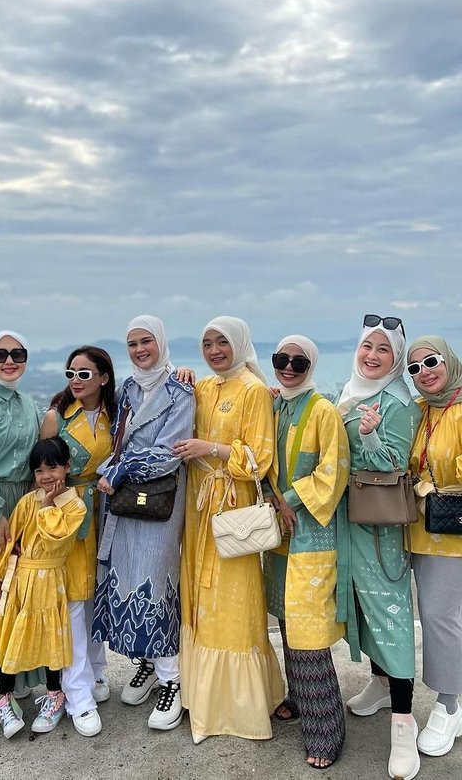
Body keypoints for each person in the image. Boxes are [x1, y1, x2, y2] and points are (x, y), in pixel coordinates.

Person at [174, 316, 284, 744]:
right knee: (199, 598)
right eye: (207, 343)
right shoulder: (204, 386)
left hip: (232, 508)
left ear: (239, 344)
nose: (215, 350)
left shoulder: (253, 390)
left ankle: (237, 706)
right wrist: (181, 375)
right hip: (198, 509)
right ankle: (200, 696)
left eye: (223, 342)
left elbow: (261, 458)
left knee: (233, 601)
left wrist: (211, 449)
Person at [92, 316, 195, 733]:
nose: (139, 350)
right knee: (128, 576)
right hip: (122, 501)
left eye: (146, 341)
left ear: (161, 342)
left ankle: (173, 680)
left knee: (156, 579)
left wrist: (116, 472)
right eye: (132, 343)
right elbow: (118, 436)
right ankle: (148, 663)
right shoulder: (128, 388)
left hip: (159, 500)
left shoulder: (180, 389)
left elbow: (171, 453)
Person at [337, 315, 421, 780]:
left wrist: (369, 434)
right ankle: (380, 682)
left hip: (379, 530)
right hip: (346, 524)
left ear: (394, 359)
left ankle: (404, 724)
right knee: (363, 610)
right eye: (367, 346)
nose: (372, 356)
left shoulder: (398, 403)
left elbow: (396, 464)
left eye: (383, 350)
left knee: (390, 617)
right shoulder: (347, 393)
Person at [263, 335, 350, 769]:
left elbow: (334, 470)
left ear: (311, 366)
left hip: (311, 536)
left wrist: (288, 500)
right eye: (282, 360)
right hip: (279, 537)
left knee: (310, 635)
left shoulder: (322, 410)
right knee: (286, 623)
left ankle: (326, 730)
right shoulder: (276, 405)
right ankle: (299, 699)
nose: (290, 368)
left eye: (300, 361)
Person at [0, 437, 86, 738]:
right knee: (10, 639)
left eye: (52, 468)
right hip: (19, 582)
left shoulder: (74, 506)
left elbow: (57, 537)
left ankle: (55, 695)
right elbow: (8, 544)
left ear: (66, 468)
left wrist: (47, 505)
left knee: (50, 639)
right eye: (39, 471)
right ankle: (5, 698)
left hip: (50, 581)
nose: (46, 476)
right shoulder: (27, 501)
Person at [40, 345, 116, 737]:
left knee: (95, 596)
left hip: (107, 511)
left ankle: (97, 673)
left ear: (103, 377)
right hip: (70, 516)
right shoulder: (56, 417)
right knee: (72, 602)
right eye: (71, 373)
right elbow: (44, 473)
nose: (76, 381)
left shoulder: (115, 415)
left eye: (85, 374)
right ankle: (77, 694)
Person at [406, 336, 462, 758]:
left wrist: (435, 485)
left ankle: (449, 704)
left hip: (453, 532)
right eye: (414, 368)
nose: (424, 371)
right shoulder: (422, 411)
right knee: (434, 615)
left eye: (431, 361)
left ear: (449, 361)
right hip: (417, 528)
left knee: (439, 616)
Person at [0, 330, 41, 697]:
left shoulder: (27, 404)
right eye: (1, 354)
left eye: (17, 354)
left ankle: (12, 678)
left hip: (23, 503)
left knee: (17, 590)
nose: (9, 361)